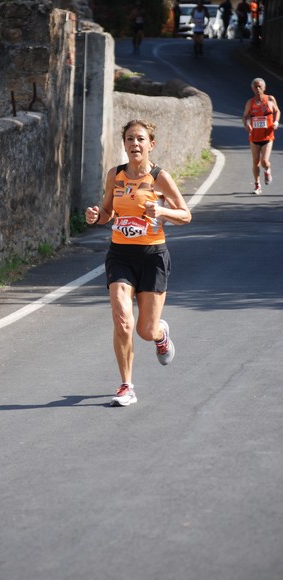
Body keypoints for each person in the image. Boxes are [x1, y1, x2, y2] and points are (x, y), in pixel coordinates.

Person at [84, 119, 192, 407]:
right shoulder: (115, 175)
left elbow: (186, 214)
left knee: (145, 330)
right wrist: (97, 216)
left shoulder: (159, 178)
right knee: (122, 318)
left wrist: (161, 210)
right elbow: (107, 212)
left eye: (141, 139)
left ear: (150, 144)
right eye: (130, 139)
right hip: (120, 255)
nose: (135, 144)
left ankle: (160, 334)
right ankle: (126, 385)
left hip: (153, 257)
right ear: (124, 143)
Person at [242, 77, 280, 195]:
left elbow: (277, 111)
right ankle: (257, 185)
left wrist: (276, 122)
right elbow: (244, 116)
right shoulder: (250, 102)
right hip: (254, 137)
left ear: (264, 87)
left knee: (264, 161)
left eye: (260, 86)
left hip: (267, 136)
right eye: (255, 87)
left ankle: (267, 170)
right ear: (252, 89)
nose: (258, 89)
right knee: (255, 162)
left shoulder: (270, 99)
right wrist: (246, 124)